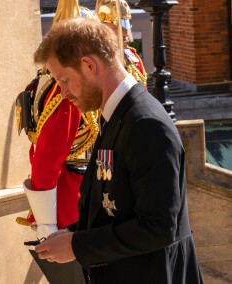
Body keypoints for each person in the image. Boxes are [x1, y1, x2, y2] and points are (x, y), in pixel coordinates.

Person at [32, 18, 204, 284]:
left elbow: (158, 227)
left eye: (64, 80)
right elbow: (115, 209)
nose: (62, 93)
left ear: (89, 65)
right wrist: (70, 234)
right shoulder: (116, 116)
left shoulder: (146, 124)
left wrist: (77, 245)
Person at [15, 0, 99, 242]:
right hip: (69, 197)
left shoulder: (53, 80)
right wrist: (48, 223)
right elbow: (47, 159)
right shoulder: (64, 93)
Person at [95, 0, 147, 88]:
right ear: (103, 29)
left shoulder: (133, 57)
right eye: (117, 28)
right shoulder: (94, 62)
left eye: (126, 28)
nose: (125, 34)